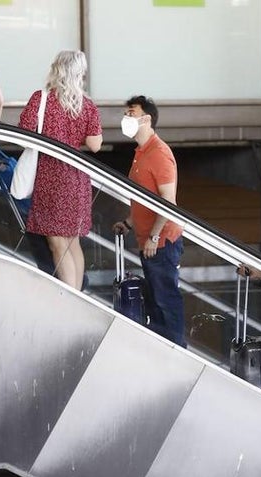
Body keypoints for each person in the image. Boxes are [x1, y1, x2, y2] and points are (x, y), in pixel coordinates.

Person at [18, 51, 102, 290]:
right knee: (72, 241)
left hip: (50, 177)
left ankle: (70, 300)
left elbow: (24, 135)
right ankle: (79, 298)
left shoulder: (41, 99)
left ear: (57, 69)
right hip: (77, 178)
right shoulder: (87, 105)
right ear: (80, 74)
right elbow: (95, 145)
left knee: (57, 243)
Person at [110, 96, 185, 346]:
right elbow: (144, 199)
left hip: (162, 242)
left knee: (166, 301)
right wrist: (129, 223)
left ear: (147, 119)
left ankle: (177, 353)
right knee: (154, 302)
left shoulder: (160, 153)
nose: (126, 117)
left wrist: (155, 236)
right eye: (126, 112)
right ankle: (164, 351)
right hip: (148, 241)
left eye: (131, 113)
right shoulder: (140, 153)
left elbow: (168, 201)